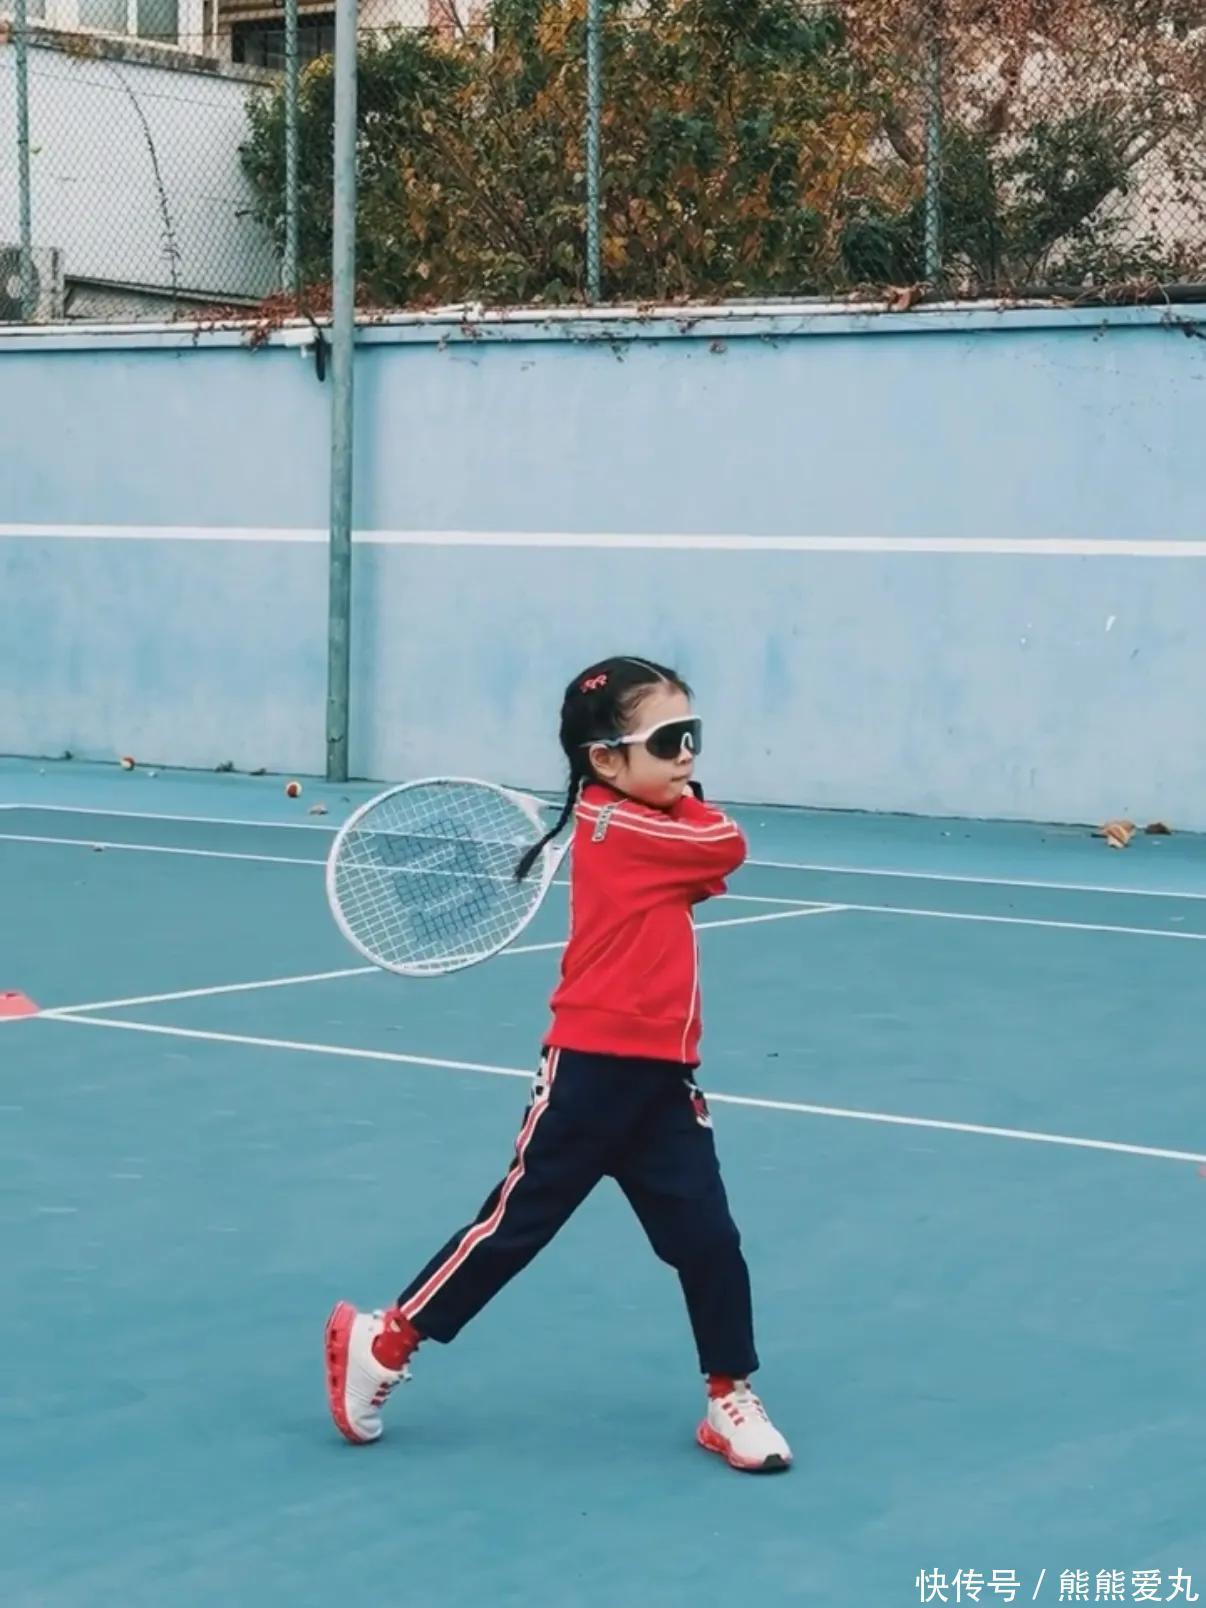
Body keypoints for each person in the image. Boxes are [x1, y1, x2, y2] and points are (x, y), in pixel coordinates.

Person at [324, 655, 792, 1472]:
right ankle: (384, 1341)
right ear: (603, 760)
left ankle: (729, 1397)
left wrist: (676, 788)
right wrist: (689, 803)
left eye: (693, 735)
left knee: (709, 1239)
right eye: (668, 741)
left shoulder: (639, 822)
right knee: (514, 1229)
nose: (687, 755)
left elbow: (703, 861)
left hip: (662, 1077)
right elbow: (727, 843)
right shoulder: (632, 829)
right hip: (591, 1073)